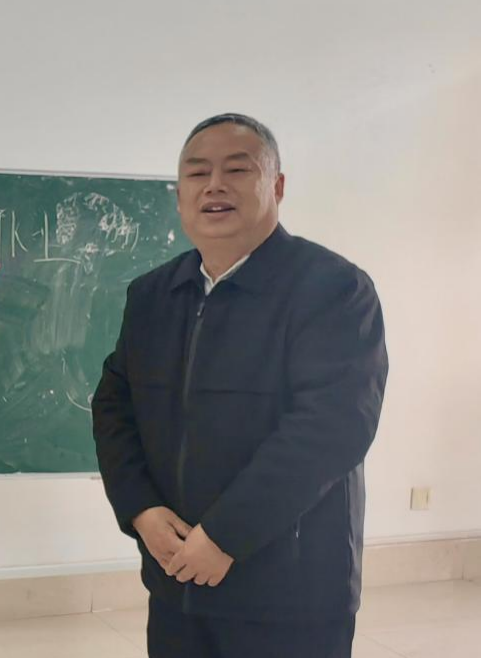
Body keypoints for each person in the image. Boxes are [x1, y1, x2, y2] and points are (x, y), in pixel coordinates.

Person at [92, 113, 389, 657]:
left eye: (236, 169)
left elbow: (332, 427)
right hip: (177, 581)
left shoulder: (333, 289)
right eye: (196, 172)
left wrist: (226, 535)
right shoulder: (153, 295)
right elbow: (115, 407)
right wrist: (141, 510)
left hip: (292, 594)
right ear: (179, 194)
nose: (214, 185)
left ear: (277, 186)